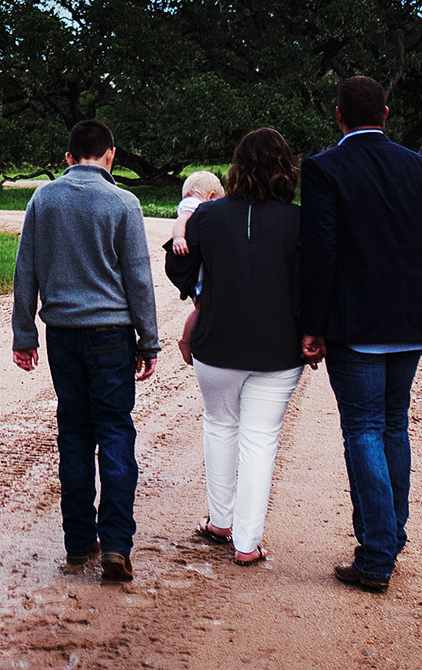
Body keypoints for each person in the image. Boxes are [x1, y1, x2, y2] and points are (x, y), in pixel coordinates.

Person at [299, 75, 422, 594]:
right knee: (393, 426)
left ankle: (377, 554)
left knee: (363, 429)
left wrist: (312, 326)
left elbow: (320, 255)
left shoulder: (324, 169)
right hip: (410, 322)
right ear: (385, 113)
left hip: (356, 325)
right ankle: (391, 536)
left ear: (338, 115)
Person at [12, 119, 163, 584]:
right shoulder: (124, 202)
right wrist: (148, 339)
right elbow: (138, 277)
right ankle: (116, 542)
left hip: (61, 332)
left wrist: (24, 334)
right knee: (115, 431)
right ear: (111, 155)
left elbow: (26, 270)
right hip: (112, 334)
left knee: (74, 431)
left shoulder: (43, 199)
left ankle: (79, 541)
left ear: (68, 157)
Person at [165, 129, 308, 568]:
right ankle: (248, 543)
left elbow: (176, 262)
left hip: (216, 343)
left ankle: (221, 521)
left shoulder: (207, 217)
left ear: (237, 168)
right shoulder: (300, 220)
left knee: (219, 426)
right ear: (287, 169)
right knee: (260, 440)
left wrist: (201, 296)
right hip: (279, 349)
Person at [170, 169, 223, 362]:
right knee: (201, 309)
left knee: (204, 308)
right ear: (211, 196)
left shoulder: (197, 204)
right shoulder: (193, 204)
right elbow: (181, 221)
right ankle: (186, 340)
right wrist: (178, 238)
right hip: (198, 267)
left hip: (201, 262)